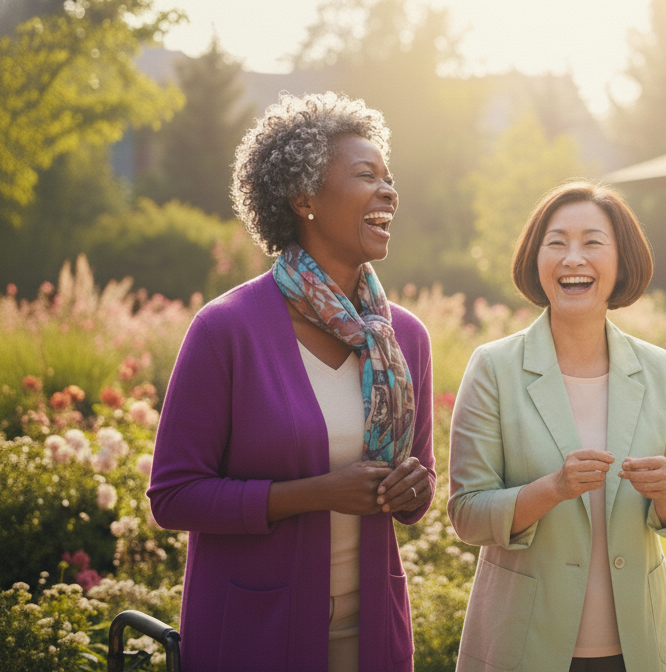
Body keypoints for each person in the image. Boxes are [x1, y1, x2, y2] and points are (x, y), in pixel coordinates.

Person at [148, 92, 434, 671]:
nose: (388, 191)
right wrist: (315, 494)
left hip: (373, 633)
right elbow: (173, 496)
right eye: (365, 175)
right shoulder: (226, 330)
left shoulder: (404, 337)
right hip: (256, 634)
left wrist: (414, 489)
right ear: (304, 198)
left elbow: (418, 488)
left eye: (389, 176)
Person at [448, 181, 666, 672]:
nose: (573, 258)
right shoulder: (494, 367)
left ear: (621, 260)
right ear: (535, 258)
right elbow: (467, 513)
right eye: (557, 242)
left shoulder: (658, 369)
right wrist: (554, 488)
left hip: (639, 648)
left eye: (592, 242)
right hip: (524, 646)